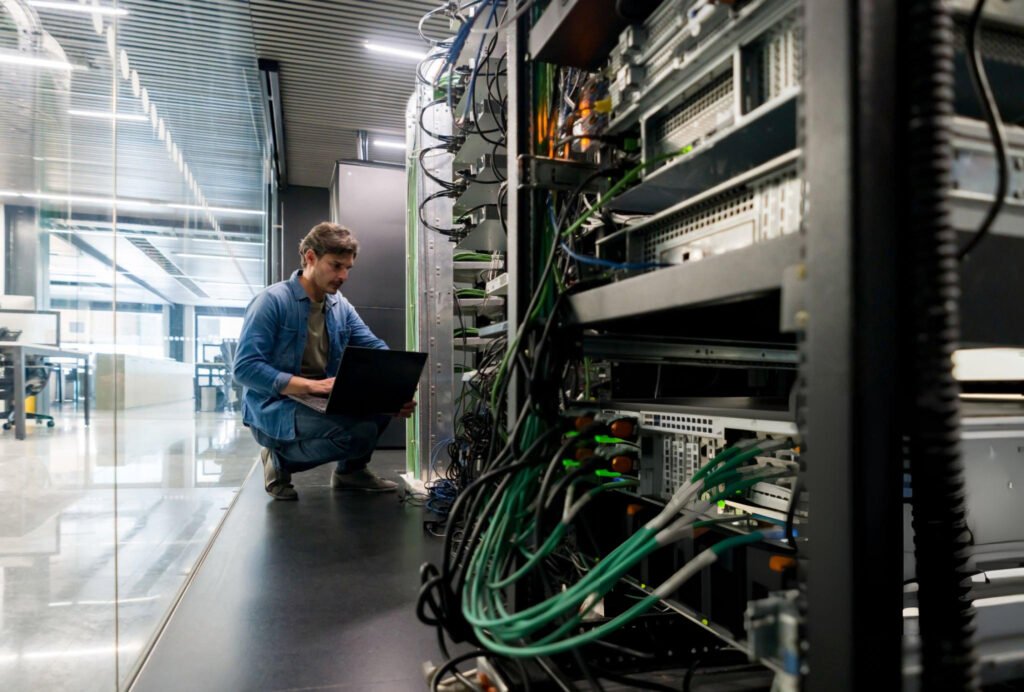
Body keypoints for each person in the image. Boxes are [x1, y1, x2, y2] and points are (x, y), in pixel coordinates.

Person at [233, 222, 415, 500]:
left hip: (318, 397)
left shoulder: (340, 305)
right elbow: (244, 369)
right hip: (276, 404)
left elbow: (375, 348)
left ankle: (350, 472)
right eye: (336, 266)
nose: (343, 275)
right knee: (357, 434)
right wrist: (309, 386)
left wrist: (391, 389)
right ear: (310, 258)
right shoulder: (271, 302)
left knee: (380, 410)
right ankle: (279, 461)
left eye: (348, 268)